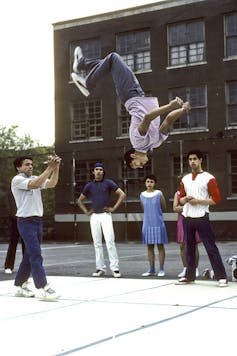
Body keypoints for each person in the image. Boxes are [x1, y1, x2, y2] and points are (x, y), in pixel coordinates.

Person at [71, 47, 190, 169]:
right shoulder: (155, 143)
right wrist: (182, 110)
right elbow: (168, 120)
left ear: (133, 156)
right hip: (137, 94)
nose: (141, 167)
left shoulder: (138, 142)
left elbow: (148, 117)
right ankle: (82, 64)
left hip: (130, 94)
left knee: (113, 58)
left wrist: (170, 106)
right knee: (111, 64)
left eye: (136, 165)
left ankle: (87, 82)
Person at [11, 154, 62, 300]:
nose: (30, 166)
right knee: (36, 255)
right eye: (27, 164)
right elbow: (34, 185)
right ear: (18, 167)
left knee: (29, 256)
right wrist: (49, 167)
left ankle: (19, 286)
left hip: (37, 221)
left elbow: (52, 183)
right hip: (25, 222)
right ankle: (43, 288)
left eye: (31, 164)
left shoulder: (35, 179)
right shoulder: (17, 180)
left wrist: (56, 167)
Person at [177, 150, 228, 287]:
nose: (192, 161)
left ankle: (221, 276)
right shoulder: (185, 179)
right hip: (187, 216)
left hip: (201, 216)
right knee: (189, 247)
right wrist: (185, 199)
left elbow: (216, 199)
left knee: (210, 246)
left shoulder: (208, 178)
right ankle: (190, 276)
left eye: (195, 159)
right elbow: (180, 200)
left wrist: (198, 201)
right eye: (190, 159)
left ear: (200, 160)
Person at [78, 162, 126, 277]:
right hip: (94, 216)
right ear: (93, 172)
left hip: (105, 215)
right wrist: (86, 211)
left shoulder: (108, 183)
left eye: (100, 169)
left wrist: (113, 208)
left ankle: (115, 269)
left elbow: (122, 194)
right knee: (97, 243)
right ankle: (100, 268)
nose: (98, 171)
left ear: (103, 172)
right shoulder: (89, 185)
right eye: (96, 169)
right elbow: (79, 200)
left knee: (110, 241)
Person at [140, 174, 168, 277]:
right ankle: (151, 269)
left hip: (158, 223)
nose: (149, 183)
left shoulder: (159, 193)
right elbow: (144, 209)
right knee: (149, 247)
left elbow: (164, 207)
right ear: (145, 183)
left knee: (160, 246)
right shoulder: (142, 195)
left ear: (155, 183)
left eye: (151, 182)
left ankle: (161, 269)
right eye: (148, 181)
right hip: (147, 224)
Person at [173, 176, 200, 278]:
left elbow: (198, 205)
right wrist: (186, 207)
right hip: (182, 220)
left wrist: (184, 207)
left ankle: (195, 268)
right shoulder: (178, 194)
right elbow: (175, 208)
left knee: (194, 244)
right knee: (182, 245)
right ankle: (185, 268)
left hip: (194, 218)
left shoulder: (194, 192)